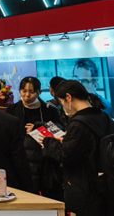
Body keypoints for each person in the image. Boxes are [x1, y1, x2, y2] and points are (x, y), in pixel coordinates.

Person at [43, 80, 114, 216]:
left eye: (61, 101)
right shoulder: (102, 115)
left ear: (68, 98)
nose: (62, 106)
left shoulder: (78, 123)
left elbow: (65, 155)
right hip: (104, 184)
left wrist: (49, 142)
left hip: (86, 188)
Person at [6, 77, 62, 200]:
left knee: (48, 195)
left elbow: (58, 129)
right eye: (24, 91)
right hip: (21, 157)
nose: (27, 95)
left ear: (39, 92)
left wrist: (39, 126)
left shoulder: (49, 109)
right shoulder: (12, 109)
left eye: (32, 92)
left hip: (45, 159)